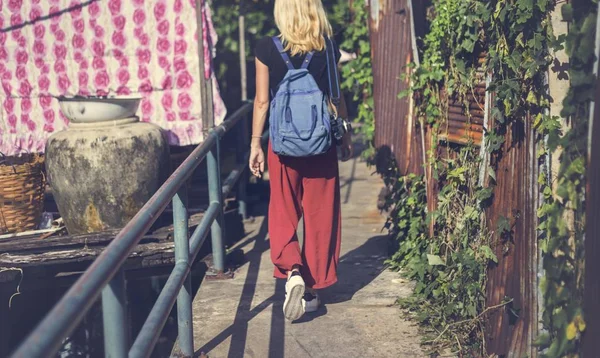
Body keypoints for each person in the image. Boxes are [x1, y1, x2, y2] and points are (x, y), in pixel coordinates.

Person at [249, 0, 352, 322]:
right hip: (320, 145)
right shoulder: (328, 47)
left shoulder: (266, 47)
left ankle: (292, 269)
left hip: (282, 147)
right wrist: (345, 137)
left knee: (282, 209)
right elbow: (336, 98)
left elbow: (262, 101)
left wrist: (255, 143)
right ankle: (312, 287)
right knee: (321, 216)